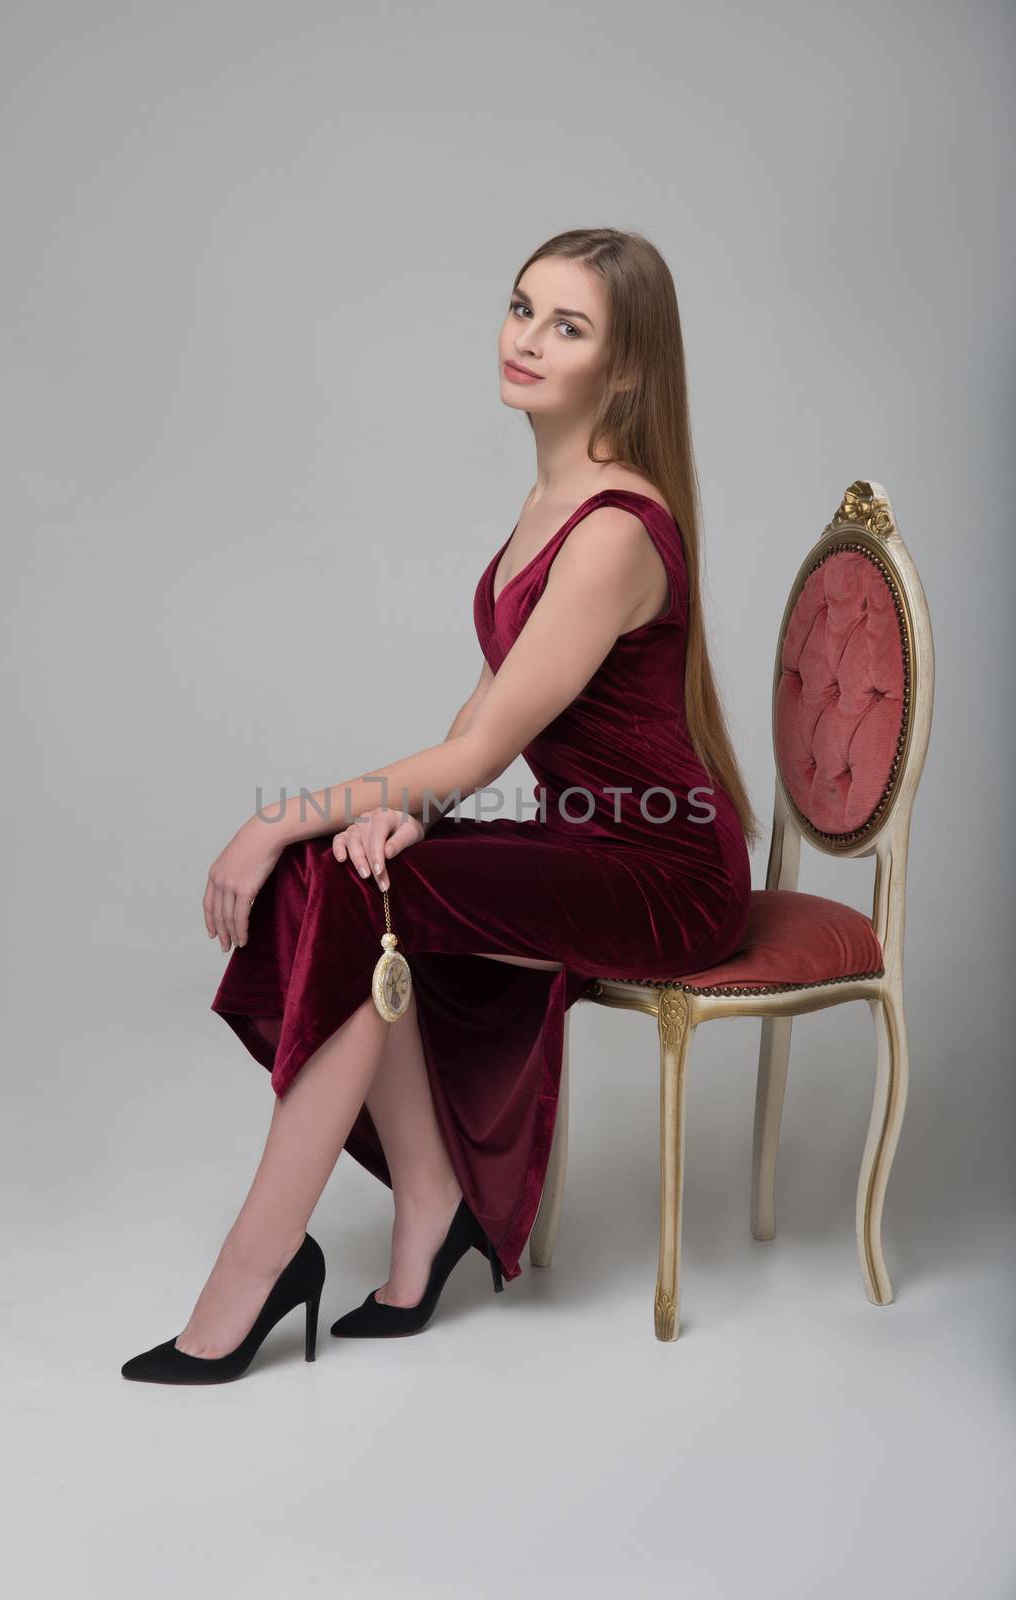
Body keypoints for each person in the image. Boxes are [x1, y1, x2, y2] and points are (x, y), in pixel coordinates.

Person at [121, 226, 760, 1385]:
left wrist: (278, 816)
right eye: (522, 308)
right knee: (356, 871)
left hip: (667, 874)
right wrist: (405, 810)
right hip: (593, 842)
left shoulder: (614, 528)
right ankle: (427, 1202)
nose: (527, 338)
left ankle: (253, 1268)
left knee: (325, 863)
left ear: (621, 370)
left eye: (567, 326)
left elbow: (487, 744)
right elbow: (485, 717)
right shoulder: (549, 500)